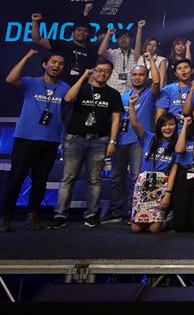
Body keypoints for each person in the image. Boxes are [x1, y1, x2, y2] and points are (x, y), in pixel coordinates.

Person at [0, 50, 69, 232]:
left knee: (40, 181)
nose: (56, 66)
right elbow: (10, 79)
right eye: (53, 62)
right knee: (15, 179)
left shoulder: (65, 88)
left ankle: (33, 216)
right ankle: (5, 217)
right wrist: (27, 57)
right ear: (45, 64)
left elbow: (70, 105)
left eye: (60, 63)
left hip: (50, 141)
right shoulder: (31, 83)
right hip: (25, 138)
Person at [51, 60, 124, 229]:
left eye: (106, 71)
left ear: (110, 73)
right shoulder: (82, 89)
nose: (102, 74)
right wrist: (84, 77)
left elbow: (116, 119)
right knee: (68, 178)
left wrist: (112, 141)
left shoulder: (113, 94)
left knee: (95, 180)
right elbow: (68, 98)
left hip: (99, 140)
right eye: (99, 70)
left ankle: (91, 214)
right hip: (75, 139)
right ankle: (60, 214)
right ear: (93, 71)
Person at [103, 55, 162, 225]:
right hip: (121, 141)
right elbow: (115, 120)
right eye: (135, 75)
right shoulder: (123, 96)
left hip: (140, 142)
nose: (137, 77)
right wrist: (112, 141)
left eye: (141, 75)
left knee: (138, 178)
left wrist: (151, 60)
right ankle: (115, 211)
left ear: (146, 77)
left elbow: (157, 82)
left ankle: (134, 211)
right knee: (117, 178)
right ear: (131, 77)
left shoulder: (150, 95)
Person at [127, 106, 178, 233]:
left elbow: (173, 172)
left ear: (176, 126)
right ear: (159, 127)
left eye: (171, 124)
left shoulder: (177, 145)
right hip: (143, 182)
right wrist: (132, 106)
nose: (167, 128)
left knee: (155, 229)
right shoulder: (149, 138)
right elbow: (134, 124)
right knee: (136, 229)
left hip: (162, 183)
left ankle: (169, 220)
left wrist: (168, 194)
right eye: (164, 125)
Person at [30, 13, 98, 84]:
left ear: (89, 34)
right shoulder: (63, 45)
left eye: (85, 31)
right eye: (79, 30)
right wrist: (35, 21)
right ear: (73, 32)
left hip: (81, 86)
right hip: (60, 85)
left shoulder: (92, 51)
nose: (82, 33)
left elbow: (93, 71)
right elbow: (37, 40)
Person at [97, 21, 145, 92]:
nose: (123, 39)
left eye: (126, 37)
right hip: (112, 89)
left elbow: (138, 44)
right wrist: (108, 34)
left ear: (131, 39)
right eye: (120, 37)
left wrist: (139, 28)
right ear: (116, 40)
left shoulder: (135, 54)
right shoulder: (112, 53)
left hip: (129, 91)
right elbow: (100, 52)